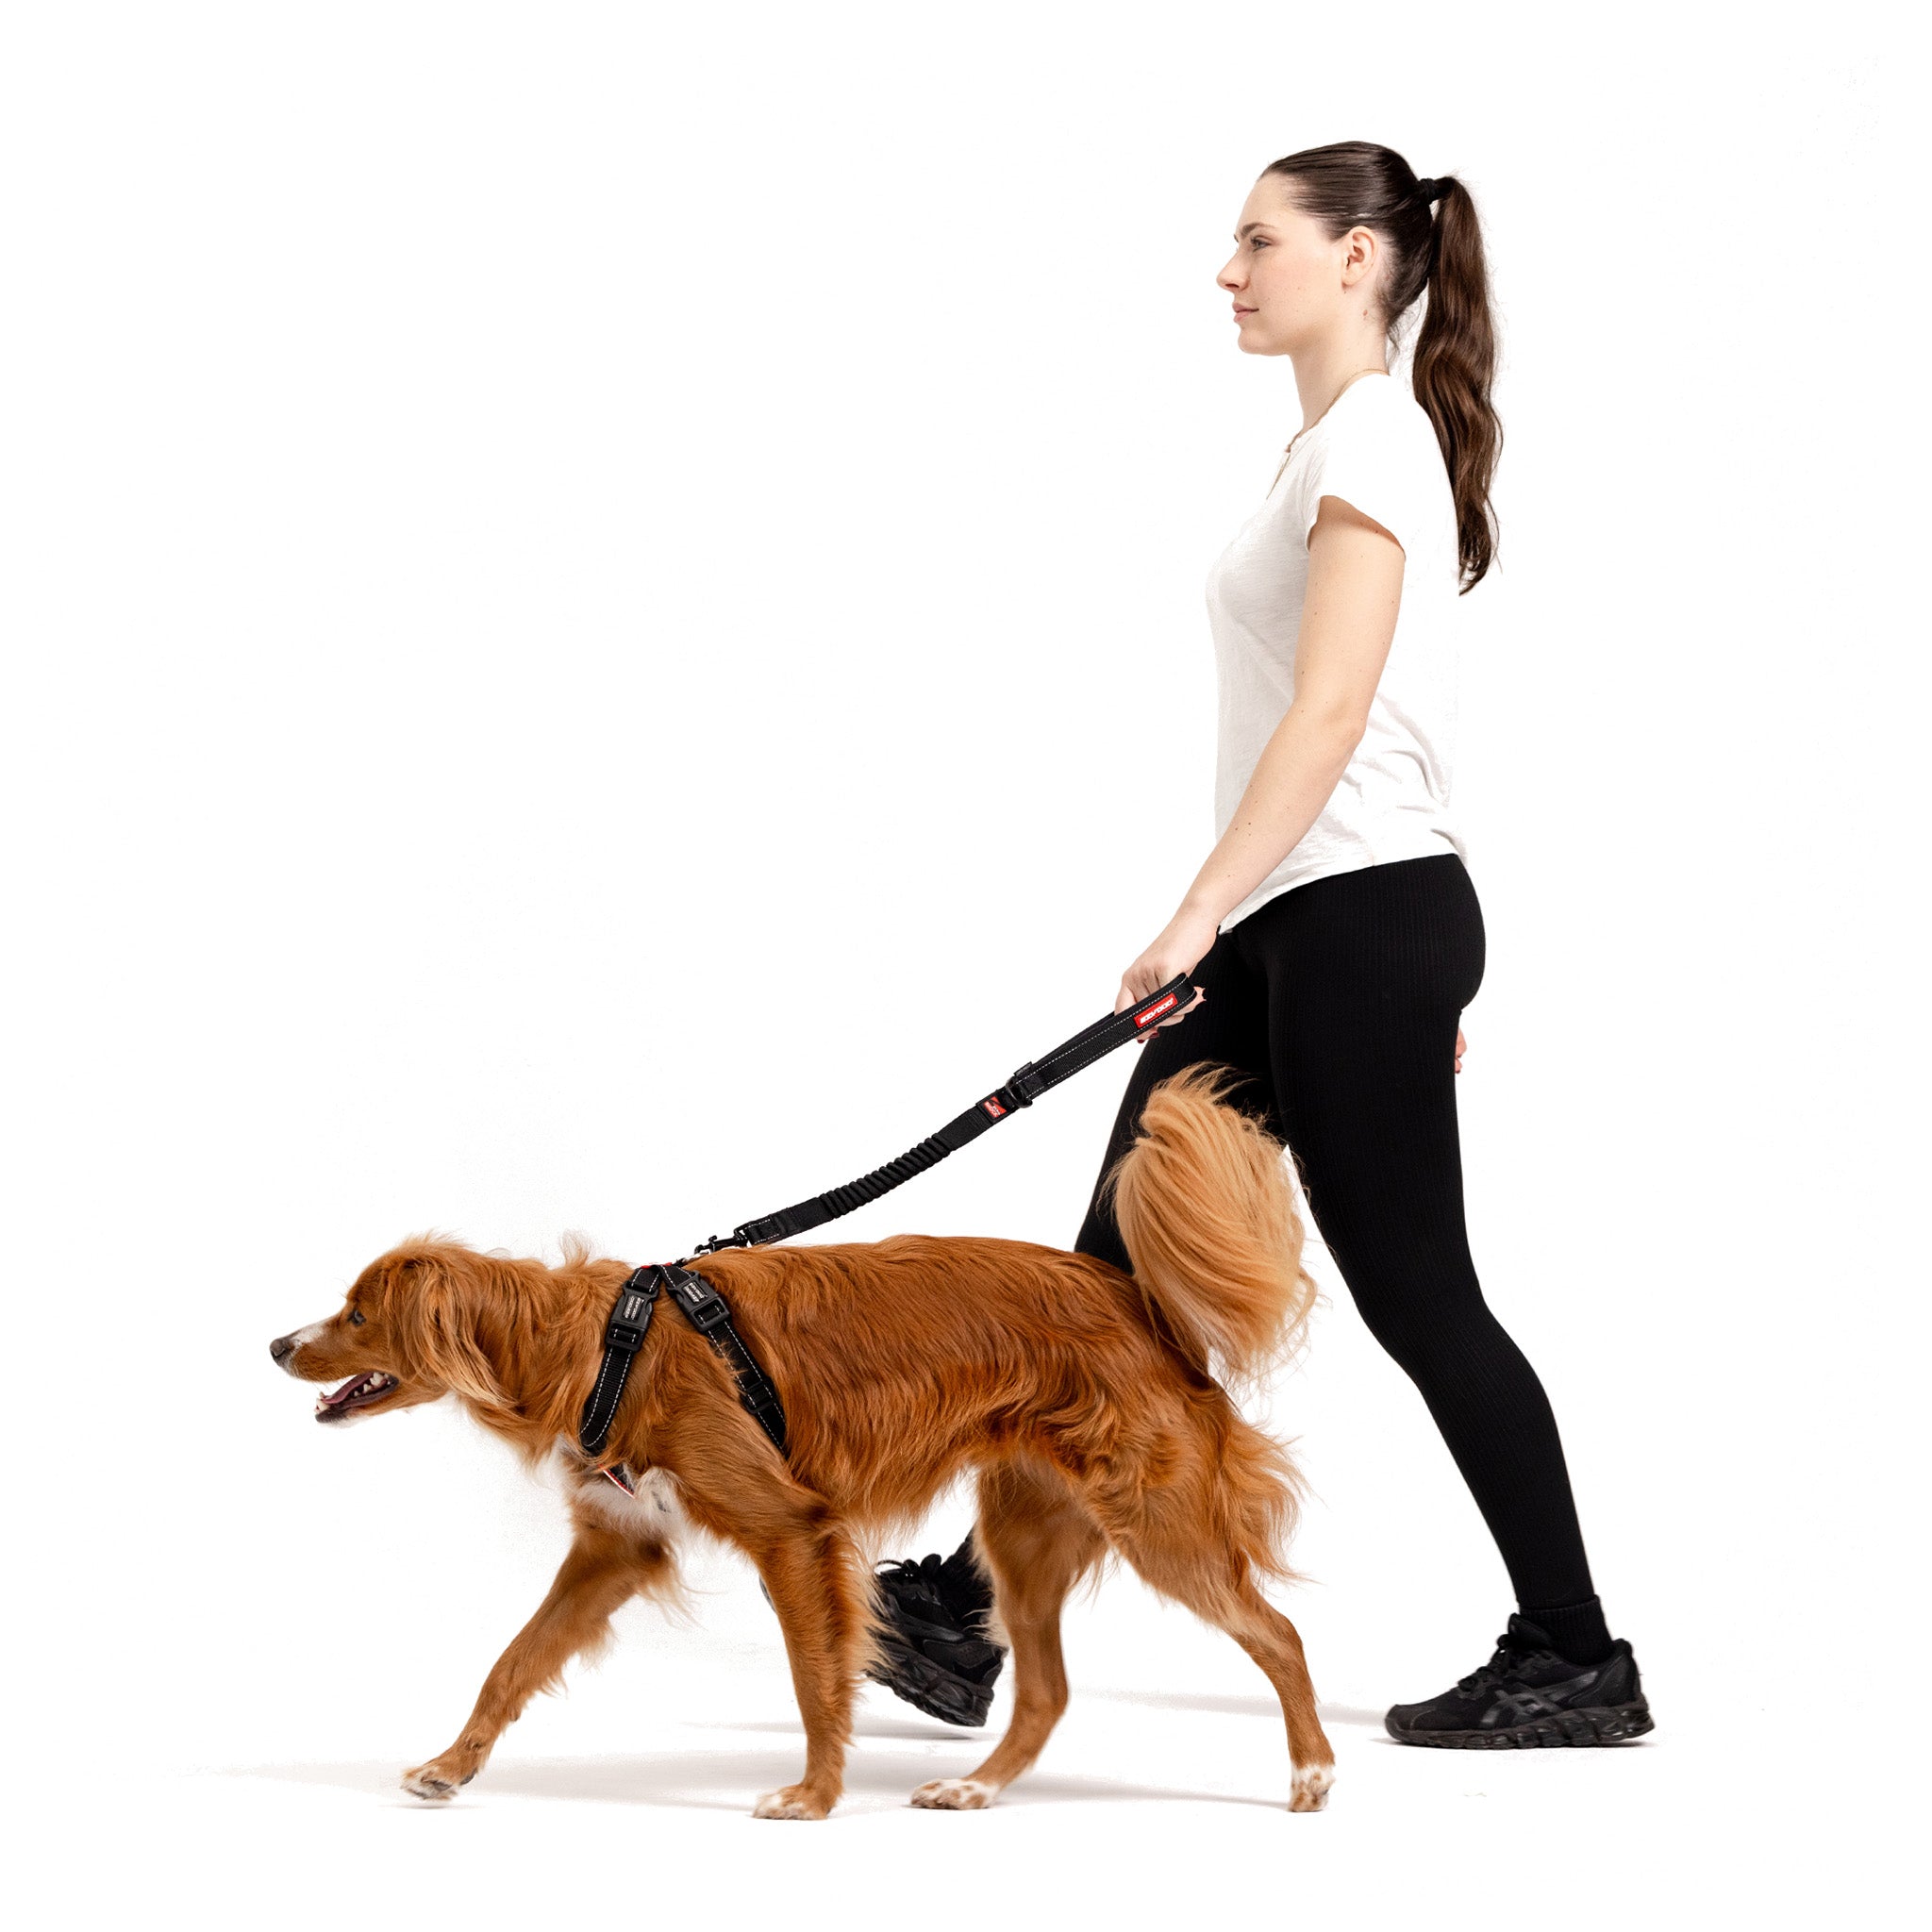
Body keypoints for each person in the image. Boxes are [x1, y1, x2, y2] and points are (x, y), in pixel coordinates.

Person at [869, 142, 1650, 1751]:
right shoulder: (1328, 448)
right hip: (1320, 919)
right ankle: (968, 1612)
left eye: (1258, 241)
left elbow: (1335, 711)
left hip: (1345, 910)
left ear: (1358, 257)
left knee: (1421, 1297)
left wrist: (1199, 912)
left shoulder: (1375, 438)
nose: (1228, 273)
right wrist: (1267, 931)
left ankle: (1577, 1654)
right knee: (1105, 1281)